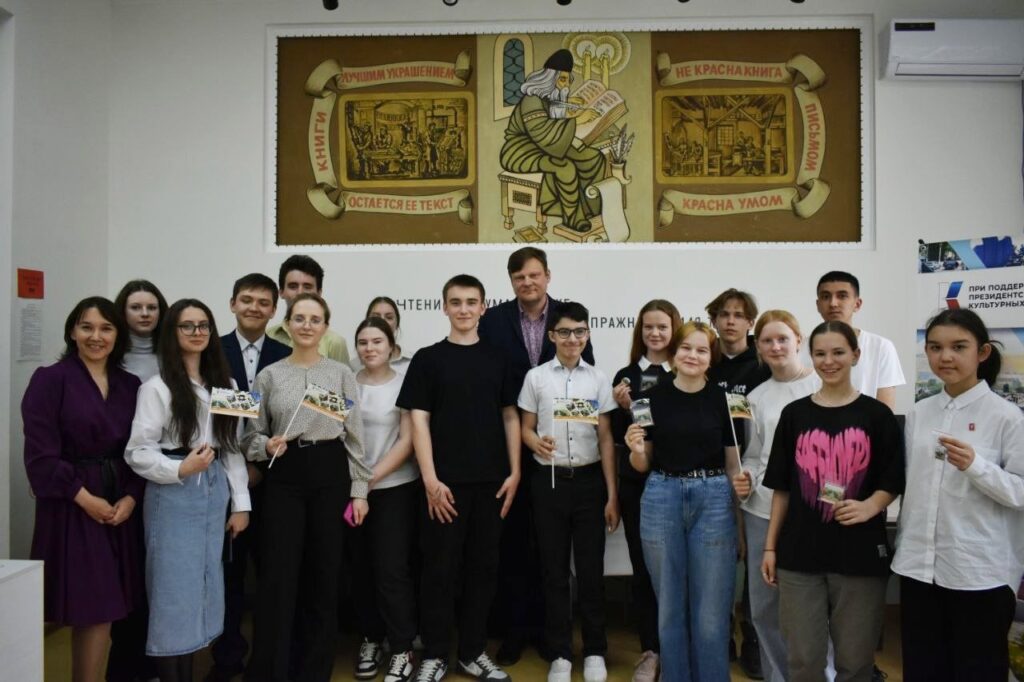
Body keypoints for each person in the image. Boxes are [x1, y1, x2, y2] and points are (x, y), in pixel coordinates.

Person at [761, 321, 904, 682]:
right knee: (804, 660)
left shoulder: (877, 416)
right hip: (799, 556)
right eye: (820, 354)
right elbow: (782, 489)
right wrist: (770, 548)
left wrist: (870, 506)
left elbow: (893, 480)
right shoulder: (794, 415)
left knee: (855, 663)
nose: (829, 361)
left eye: (838, 352)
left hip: (859, 555)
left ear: (856, 355)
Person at [396, 274, 520, 682]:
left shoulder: (499, 357)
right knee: (439, 570)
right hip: (443, 486)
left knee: (483, 571)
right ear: (444, 307)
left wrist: (515, 472)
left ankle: (472, 652)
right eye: (456, 302)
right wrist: (430, 479)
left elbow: (510, 415)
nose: (464, 309)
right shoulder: (428, 359)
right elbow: (419, 420)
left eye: (471, 302)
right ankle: (434, 653)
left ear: (483, 307)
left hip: (492, 484)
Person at [242, 292, 370, 682]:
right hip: (284, 475)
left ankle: (314, 671)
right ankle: (272, 670)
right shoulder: (269, 375)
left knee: (324, 574)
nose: (307, 326)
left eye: (315, 320)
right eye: (299, 318)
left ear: (326, 327)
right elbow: (250, 434)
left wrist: (360, 491)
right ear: (287, 324)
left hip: (330, 473)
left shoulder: (342, 374)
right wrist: (265, 446)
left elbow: (355, 437)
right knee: (278, 576)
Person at [892, 309, 1024, 682]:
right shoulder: (920, 413)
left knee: (977, 670)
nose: (945, 356)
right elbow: (912, 484)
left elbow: (1020, 492)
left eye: (958, 347)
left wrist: (976, 466)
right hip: (918, 567)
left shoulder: (1007, 417)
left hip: (979, 572)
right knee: (923, 668)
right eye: (935, 347)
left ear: (982, 353)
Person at [478, 247, 594, 666]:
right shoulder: (493, 320)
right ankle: (515, 631)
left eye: (534, 275)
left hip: (558, 451)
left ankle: (551, 633)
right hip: (506, 444)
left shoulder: (568, 317)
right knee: (512, 544)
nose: (527, 283)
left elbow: (586, 376)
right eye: (519, 277)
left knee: (552, 550)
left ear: (547, 276)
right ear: (511, 281)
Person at [125, 299, 251, 682]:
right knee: (173, 593)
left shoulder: (229, 386)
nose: (197, 333)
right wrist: (180, 467)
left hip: (214, 493)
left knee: (205, 587)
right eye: (187, 326)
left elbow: (232, 448)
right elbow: (137, 451)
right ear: (172, 332)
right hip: (174, 494)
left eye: (203, 326)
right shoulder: (156, 387)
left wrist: (241, 505)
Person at [22, 297, 144, 682]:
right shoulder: (50, 379)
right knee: (94, 607)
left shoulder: (130, 385)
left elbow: (140, 449)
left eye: (106, 328)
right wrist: (85, 499)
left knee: (107, 609)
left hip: (118, 504)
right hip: (72, 502)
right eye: (86, 327)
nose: (96, 336)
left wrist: (131, 497)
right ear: (72, 332)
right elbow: (40, 455)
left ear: (118, 335)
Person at [624, 321, 740, 682]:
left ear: (711, 358)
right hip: (662, 496)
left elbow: (732, 463)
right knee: (670, 606)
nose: (693, 355)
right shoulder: (645, 401)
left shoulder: (724, 400)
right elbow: (642, 463)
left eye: (702, 350)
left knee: (711, 610)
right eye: (686, 348)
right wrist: (636, 450)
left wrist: (740, 510)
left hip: (714, 499)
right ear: (673, 354)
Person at [518, 302, 619, 682]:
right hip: (549, 482)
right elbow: (525, 427)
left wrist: (612, 495)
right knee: (554, 572)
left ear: (587, 334)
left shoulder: (599, 379)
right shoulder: (536, 377)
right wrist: (534, 442)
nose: (572, 338)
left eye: (579, 331)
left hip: (590, 483)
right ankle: (560, 652)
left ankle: (594, 650)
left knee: (591, 572)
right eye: (564, 332)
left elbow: (606, 439)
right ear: (552, 336)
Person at [205, 273, 291, 682]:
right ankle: (227, 660)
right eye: (246, 300)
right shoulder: (210, 351)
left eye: (263, 302)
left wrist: (261, 463)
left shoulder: (287, 354)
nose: (254, 307)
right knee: (230, 575)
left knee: (274, 576)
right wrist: (242, 468)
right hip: (223, 480)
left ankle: (271, 661)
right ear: (232, 304)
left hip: (276, 483)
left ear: (274, 310)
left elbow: (290, 420)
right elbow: (214, 416)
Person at [731, 310, 819, 682]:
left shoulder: (822, 384)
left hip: (812, 511)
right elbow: (753, 455)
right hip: (762, 510)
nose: (776, 346)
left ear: (799, 339)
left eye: (783, 338)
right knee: (764, 606)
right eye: (767, 340)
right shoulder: (756, 397)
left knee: (813, 606)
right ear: (759, 348)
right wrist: (746, 477)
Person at [609, 299, 681, 682]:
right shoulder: (625, 376)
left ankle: (677, 650)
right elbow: (621, 434)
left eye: (662, 327)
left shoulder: (685, 369)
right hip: (637, 484)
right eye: (648, 327)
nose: (655, 333)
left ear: (675, 329)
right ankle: (650, 650)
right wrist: (624, 409)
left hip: (677, 481)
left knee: (677, 570)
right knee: (643, 569)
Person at [349, 316, 420, 682]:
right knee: (360, 568)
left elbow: (407, 442)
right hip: (351, 492)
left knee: (392, 570)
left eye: (377, 341)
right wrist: (357, 486)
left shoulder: (405, 383)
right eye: (363, 342)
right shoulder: (346, 381)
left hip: (394, 488)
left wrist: (367, 480)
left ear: (392, 346)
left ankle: (402, 646)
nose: (369, 348)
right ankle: (371, 638)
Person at [705, 288, 771, 678]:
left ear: (750, 322)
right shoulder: (704, 359)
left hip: (754, 476)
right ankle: (722, 634)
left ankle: (754, 639)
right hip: (712, 475)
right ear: (714, 320)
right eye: (724, 314)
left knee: (754, 559)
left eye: (738, 315)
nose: (730, 321)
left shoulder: (763, 364)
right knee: (718, 561)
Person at [499, 49, 605, 233]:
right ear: (548, 79)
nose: (565, 85)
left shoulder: (549, 98)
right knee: (564, 167)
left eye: (568, 81)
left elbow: (553, 117)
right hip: (520, 150)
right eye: (562, 79)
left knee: (594, 157)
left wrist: (568, 106)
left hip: (545, 146)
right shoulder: (531, 100)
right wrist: (578, 120)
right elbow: (542, 132)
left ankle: (589, 209)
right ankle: (573, 217)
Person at [815, 271, 904, 410]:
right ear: (818, 305)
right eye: (826, 297)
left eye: (842, 296)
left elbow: (885, 413)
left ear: (857, 304)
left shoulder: (881, 347)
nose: (833, 303)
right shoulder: (800, 349)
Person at [267, 255, 351, 366]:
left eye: (307, 287)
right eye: (293, 286)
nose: (300, 292)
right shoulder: (268, 337)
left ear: (319, 293)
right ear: (281, 292)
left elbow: (342, 377)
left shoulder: (335, 343)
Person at [115, 279, 168, 382]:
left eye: (152, 308)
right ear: (123, 311)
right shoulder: (108, 355)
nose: (145, 314)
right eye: (135, 307)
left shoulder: (175, 355)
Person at [366, 295, 412, 373]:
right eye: (376, 317)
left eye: (389, 317)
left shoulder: (414, 361)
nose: (382, 321)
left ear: (397, 324)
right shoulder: (355, 365)